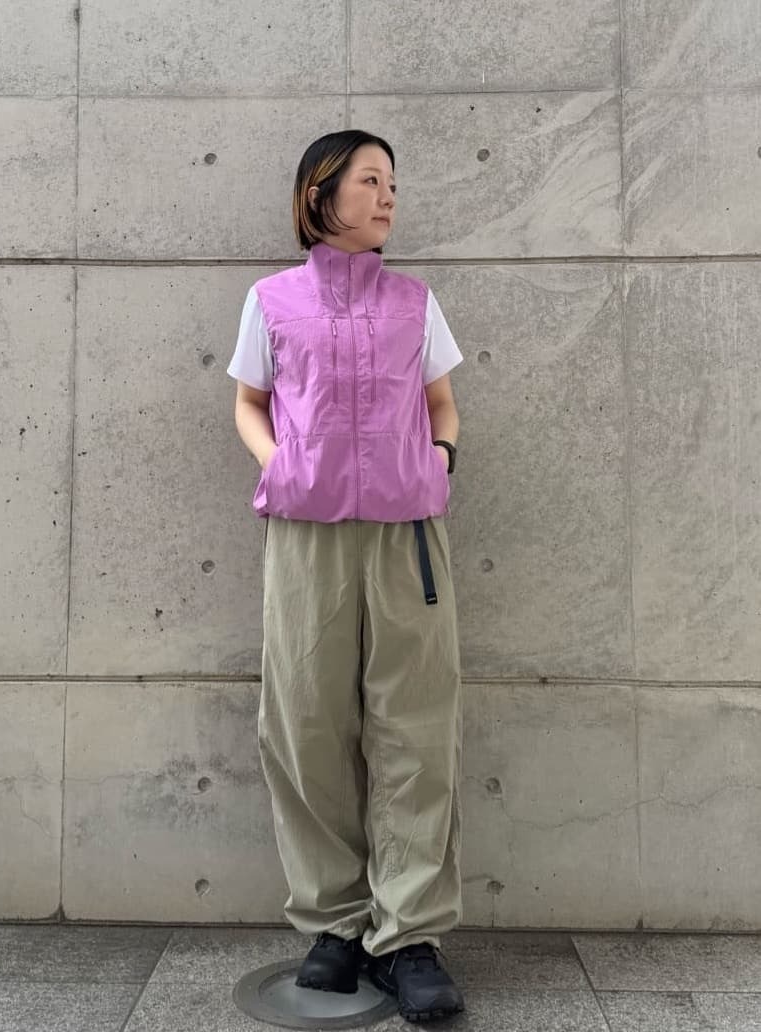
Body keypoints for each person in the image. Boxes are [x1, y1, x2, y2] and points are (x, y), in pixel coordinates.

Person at [227, 129, 465, 1023]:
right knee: (306, 724)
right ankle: (333, 924)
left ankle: (408, 938)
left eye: (392, 181)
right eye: (370, 179)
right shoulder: (272, 300)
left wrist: (439, 458)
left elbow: (442, 402)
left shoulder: (415, 301)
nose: (388, 194)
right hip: (306, 535)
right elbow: (248, 402)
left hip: (407, 536)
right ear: (318, 193)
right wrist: (278, 464)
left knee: (415, 730)